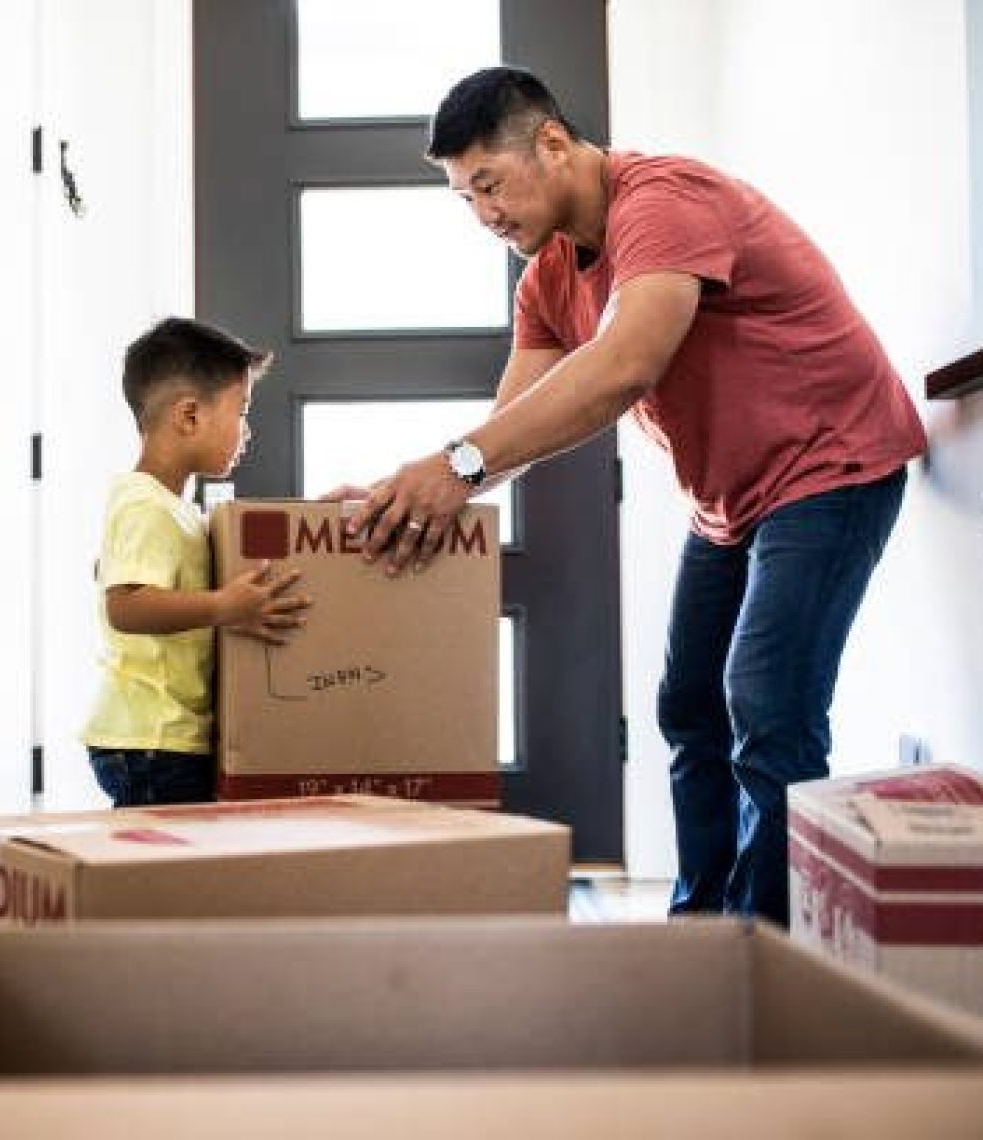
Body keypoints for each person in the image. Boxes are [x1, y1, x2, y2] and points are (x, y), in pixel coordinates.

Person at [343, 67, 924, 925]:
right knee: (689, 706)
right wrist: (413, 491)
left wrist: (455, 467)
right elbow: (512, 428)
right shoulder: (545, 279)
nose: (484, 215)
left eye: (490, 185)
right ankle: (700, 931)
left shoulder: (663, 199)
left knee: (767, 705)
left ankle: (768, 948)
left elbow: (625, 366)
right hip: (732, 498)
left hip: (832, 464)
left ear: (551, 143)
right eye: (465, 198)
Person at [82, 316, 312, 807]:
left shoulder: (179, 509)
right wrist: (224, 607)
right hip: (151, 739)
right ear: (189, 416)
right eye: (242, 410)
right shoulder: (143, 503)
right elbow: (126, 607)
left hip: (167, 736)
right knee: (160, 873)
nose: (247, 431)